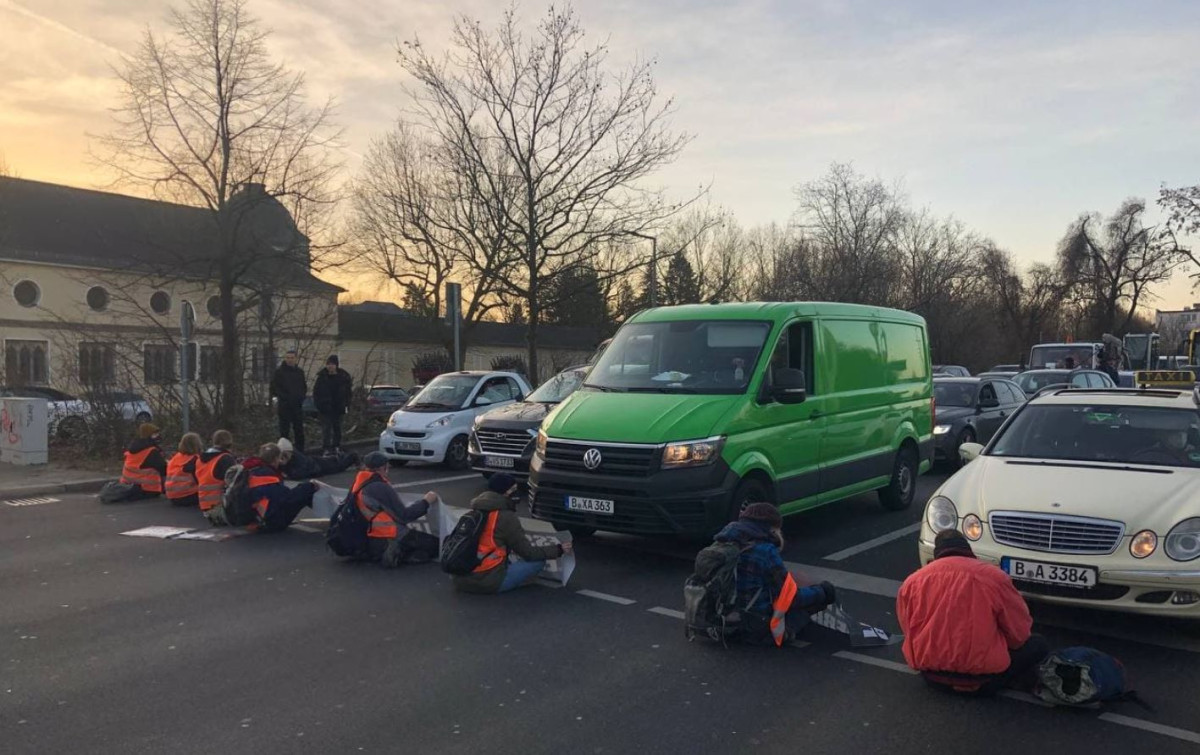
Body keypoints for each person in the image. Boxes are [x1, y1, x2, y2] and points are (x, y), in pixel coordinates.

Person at [896, 529, 1048, 695]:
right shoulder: (995, 577)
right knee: (1038, 644)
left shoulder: (912, 582)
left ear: (936, 553)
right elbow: (1019, 636)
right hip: (986, 680)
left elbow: (908, 629)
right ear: (968, 550)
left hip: (933, 679)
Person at [712, 503, 837, 645]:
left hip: (720, 619)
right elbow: (791, 597)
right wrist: (822, 592)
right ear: (772, 528)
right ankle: (784, 632)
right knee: (812, 600)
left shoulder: (721, 542)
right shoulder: (765, 551)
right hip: (753, 625)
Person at [452, 473, 572, 594]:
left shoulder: (473, 512)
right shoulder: (505, 517)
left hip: (460, 579)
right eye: (513, 489)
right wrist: (557, 550)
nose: (516, 493)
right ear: (504, 492)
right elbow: (528, 553)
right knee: (537, 562)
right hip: (487, 582)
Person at [348, 451, 440, 567]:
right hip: (388, 534)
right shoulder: (379, 487)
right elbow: (404, 516)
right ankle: (396, 552)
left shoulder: (359, 482)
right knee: (436, 545)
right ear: (383, 467)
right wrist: (426, 501)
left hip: (369, 535)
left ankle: (387, 552)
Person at [241, 443, 318, 533]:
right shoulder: (268, 476)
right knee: (306, 490)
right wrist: (309, 487)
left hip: (256, 518)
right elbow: (286, 498)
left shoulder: (253, 471)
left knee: (303, 490)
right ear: (275, 459)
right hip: (271, 521)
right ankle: (332, 515)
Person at [312, 354, 352, 455]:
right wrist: (320, 405)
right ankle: (326, 448)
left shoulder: (343, 377)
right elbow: (316, 393)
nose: (330, 366)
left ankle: (337, 446)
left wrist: (346, 405)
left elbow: (348, 393)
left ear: (336, 365)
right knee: (326, 429)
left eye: (332, 364)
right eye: (328, 364)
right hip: (325, 408)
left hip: (339, 407)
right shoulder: (322, 377)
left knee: (337, 428)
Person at [196, 429, 237, 523]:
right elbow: (234, 481)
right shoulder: (225, 458)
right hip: (220, 505)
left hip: (204, 504)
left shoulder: (200, 458)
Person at [270, 349, 308, 452]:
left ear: (296, 359)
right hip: (284, 406)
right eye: (288, 358)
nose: (290, 360)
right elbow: (274, 388)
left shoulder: (299, 372)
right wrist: (285, 398)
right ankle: (284, 452)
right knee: (284, 431)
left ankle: (300, 451)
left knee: (299, 430)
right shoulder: (279, 372)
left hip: (297, 405)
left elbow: (303, 387)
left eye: (292, 358)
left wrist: (301, 397)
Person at [120, 423, 167, 500]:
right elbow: (163, 468)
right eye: (155, 434)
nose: (157, 436)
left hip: (127, 484)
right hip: (147, 488)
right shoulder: (150, 451)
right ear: (149, 435)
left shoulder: (134, 447)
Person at [277, 437, 357, 480]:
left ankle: (352, 457)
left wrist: (289, 474)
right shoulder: (288, 459)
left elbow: (300, 473)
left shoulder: (298, 460)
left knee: (338, 466)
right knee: (333, 461)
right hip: (315, 463)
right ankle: (341, 456)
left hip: (317, 466)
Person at [164, 432, 202, 507]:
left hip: (172, 496)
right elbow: (200, 480)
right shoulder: (195, 460)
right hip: (187, 495)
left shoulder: (176, 457)